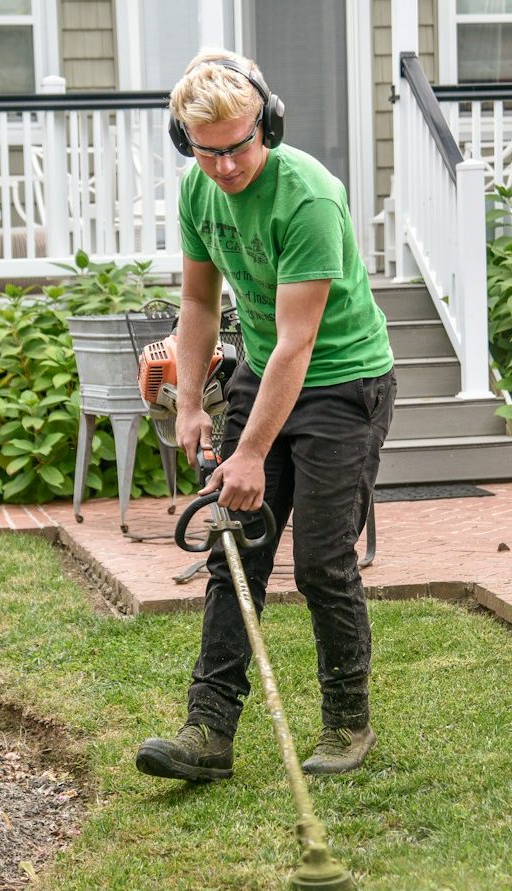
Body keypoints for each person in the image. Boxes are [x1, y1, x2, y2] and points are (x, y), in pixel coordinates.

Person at [135, 49, 396, 782]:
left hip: (343, 382)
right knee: (234, 549)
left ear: (268, 126)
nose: (223, 166)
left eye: (238, 147)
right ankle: (207, 731)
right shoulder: (199, 190)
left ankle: (346, 722)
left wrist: (250, 453)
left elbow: (297, 341)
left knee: (320, 560)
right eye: (206, 151)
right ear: (186, 141)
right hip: (263, 369)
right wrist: (190, 403)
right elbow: (198, 302)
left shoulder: (308, 197)